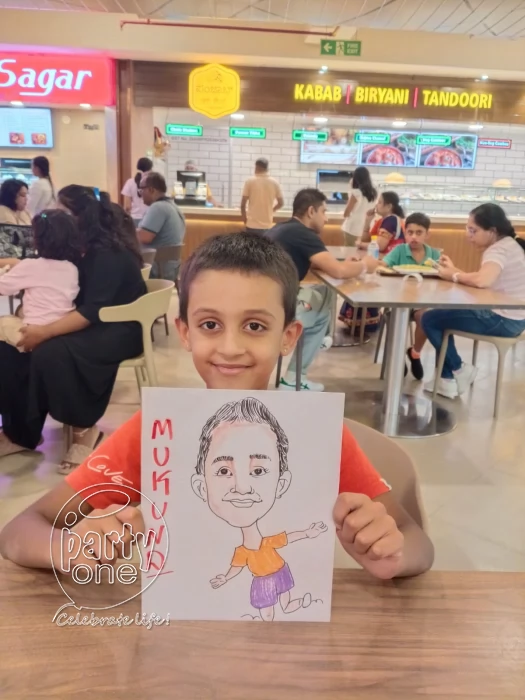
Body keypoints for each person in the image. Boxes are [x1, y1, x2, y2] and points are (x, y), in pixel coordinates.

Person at [0, 232, 434, 582]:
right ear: (185, 332)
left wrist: (390, 554)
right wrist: (72, 546)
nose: (230, 347)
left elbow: (417, 543)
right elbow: (21, 531)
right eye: (210, 324)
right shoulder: (156, 432)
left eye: (254, 325)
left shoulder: (317, 437)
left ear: (287, 337)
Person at [0, 185, 146, 473]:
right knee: (9, 348)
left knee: (49, 351)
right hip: (84, 320)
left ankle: (84, 430)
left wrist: (44, 331)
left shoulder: (108, 254)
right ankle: (20, 433)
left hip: (118, 327)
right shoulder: (78, 249)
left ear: (82, 216)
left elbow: (92, 311)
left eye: (63, 210)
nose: (56, 215)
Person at [196, 397, 328, 621]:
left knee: (286, 605)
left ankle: (299, 604)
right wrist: (225, 578)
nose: (242, 488)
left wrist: (308, 533)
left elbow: (289, 538)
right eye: (224, 471)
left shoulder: (268, 542)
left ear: (281, 484)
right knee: (266, 613)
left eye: (258, 471)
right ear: (202, 487)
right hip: (261, 581)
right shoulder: (243, 552)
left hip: (280, 572)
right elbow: (236, 568)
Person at [267, 188, 376, 391]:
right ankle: (295, 376)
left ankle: (323, 338)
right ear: (311, 211)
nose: (326, 219)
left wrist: (346, 264)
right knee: (322, 303)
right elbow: (339, 272)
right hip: (279, 307)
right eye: (324, 212)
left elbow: (324, 265)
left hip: (265, 300)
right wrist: (364, 265)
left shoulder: (282, 228)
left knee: (324, 292)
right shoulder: (304, 234)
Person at [421, 203, 525, 399]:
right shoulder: (511, 243)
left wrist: (453, 275)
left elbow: (483, 281)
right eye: (467, 229)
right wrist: (455, 272)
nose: (468, 235)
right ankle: (445, 381)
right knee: (441, 318)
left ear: (492, 231)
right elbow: (483, 280)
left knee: (430, 319)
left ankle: (458, 370)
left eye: (473, 230)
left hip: (502, 320)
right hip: (517, 319)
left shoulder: (497, 250)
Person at [0, 210, 81, 350]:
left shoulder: (31, 266)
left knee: (4, 322)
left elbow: (2, 288)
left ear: (37, 240)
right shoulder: (72, 268)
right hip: (62, 330)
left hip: (32, 333)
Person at [377, 212, 441, 380]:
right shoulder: (399, 250)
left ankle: (415, 353)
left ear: (427, 234)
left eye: (419, 233)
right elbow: (383, 265)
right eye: (410, 232)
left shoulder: (434, 254)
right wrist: (380, 266)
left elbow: (443, 274)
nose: (414, 237)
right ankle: (397, 356)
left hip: (423, 301)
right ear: (405, 234)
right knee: (396, 317)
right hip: (398, 301)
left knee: (426, 317)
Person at [137, 171, 185, 282]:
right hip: (171, 268)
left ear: (151, 190)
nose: (140, 194)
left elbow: (145, 237)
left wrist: (124, 232)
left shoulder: (158, 207)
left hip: (156, 268)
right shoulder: (173, 206)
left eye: (141, 190)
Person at [241, 158, 284, 235]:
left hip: (251, 225)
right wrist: (271, 210)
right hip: (267, 226)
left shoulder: (249, 181)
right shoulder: (274, 183)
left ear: (257, 167)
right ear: (266, 168)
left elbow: (243, 204)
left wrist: (245, 220)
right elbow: (281, 203)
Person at [342, 166, 377, 246]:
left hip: (353, 228)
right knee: (364, 251)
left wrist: (351, 188)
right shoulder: (374, 192)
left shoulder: (356, 193)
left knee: (349, 251)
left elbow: (346, 213)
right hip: (368, 227)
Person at [121, 157, 153, 226]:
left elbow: (127, 206)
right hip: (150, 218)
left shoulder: (130, 182)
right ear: (150, 169)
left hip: (134, 219)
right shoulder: (153, 182)